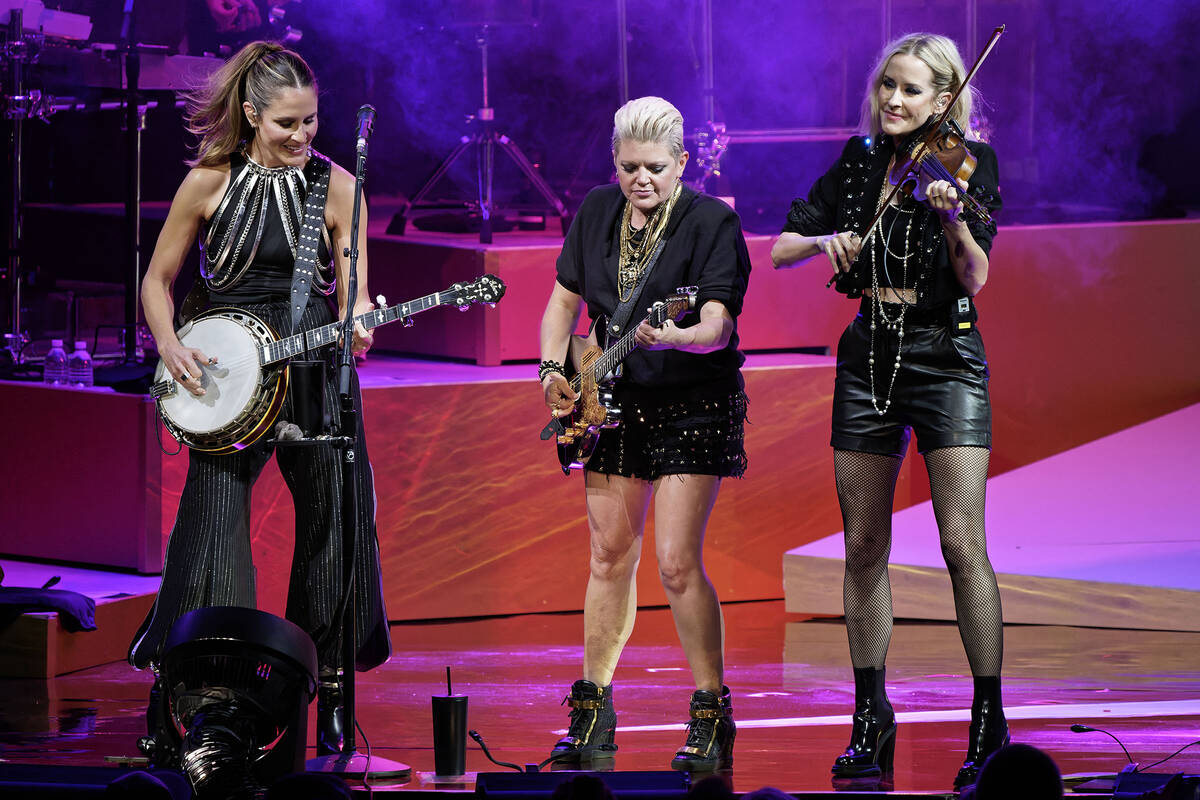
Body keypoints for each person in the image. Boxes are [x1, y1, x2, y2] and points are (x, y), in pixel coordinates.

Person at [127, 40, 390, 757]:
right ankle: (193, 694)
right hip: (228, 371)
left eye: (311, 122)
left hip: (310, 363)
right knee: (211, 530)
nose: (303, 136)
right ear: (250, 113)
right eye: (286, 124)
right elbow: (157, 282)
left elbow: (355, 286)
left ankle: (324, 688)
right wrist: (170, 345)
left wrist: (358, 322)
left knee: (336, 520)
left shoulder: (336, 186)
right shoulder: (208, 180)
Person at [770, 33, 1006, 789]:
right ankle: (870, 715)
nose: (892, 101)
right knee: (864, 543)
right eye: (885, 88)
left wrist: (952, 218)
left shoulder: (969, 165)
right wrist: (824, 241)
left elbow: (974, 277)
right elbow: (779, 248)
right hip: (869, 350)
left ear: (944, 100)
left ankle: (988, 718)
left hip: (947, 356)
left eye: (908, 90)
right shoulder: (860, 158)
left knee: (961, 541)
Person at [538, 96, 751, 771]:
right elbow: (563, 301)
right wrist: (551, 371)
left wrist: (678, 338)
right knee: (607, 557)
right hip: (611, 400)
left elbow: (716, 322)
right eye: (629, 166)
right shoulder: (597, 210)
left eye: (656, 167)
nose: (642, 179)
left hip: (693, 401)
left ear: (683, 162)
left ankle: (712, 710)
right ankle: (593, 709)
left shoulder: (713, 222)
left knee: (676, 564)